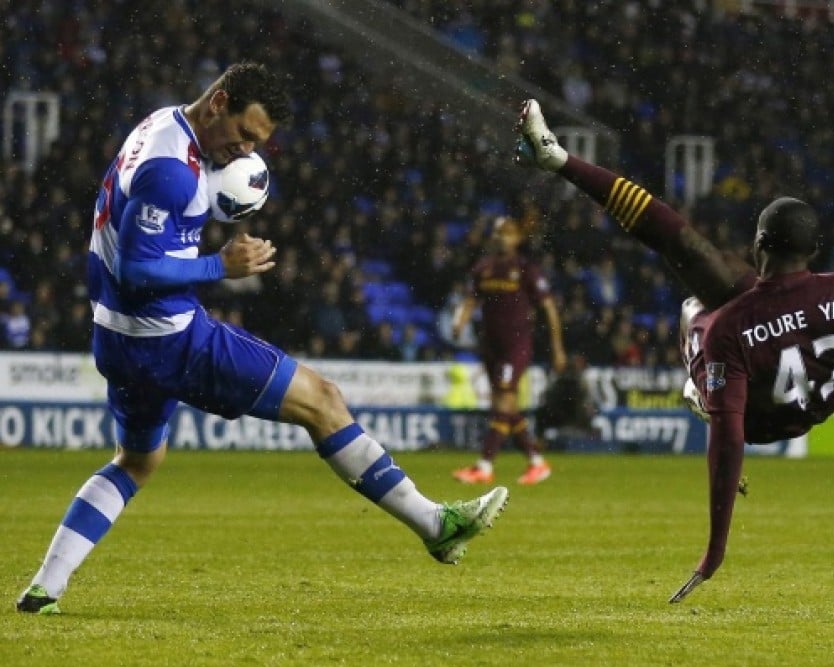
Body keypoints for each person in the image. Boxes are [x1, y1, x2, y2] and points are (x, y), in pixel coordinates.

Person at [16, 62, 509, 615]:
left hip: (115, 337)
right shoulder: (171, 173)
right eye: (245, 134)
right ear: (219, 102)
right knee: (323, 401)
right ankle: (435, 524)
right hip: (170, 339)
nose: (246, 150)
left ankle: (45, 588)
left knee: (136, 461)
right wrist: (219, 267)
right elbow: (136, 270)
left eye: (259, 142)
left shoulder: (162, 126)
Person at [513, 98, 834, 603]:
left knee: (693, 281)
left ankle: (561, 162)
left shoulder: (731, 324)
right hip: (813, 395)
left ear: (760, 242)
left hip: (757, 415)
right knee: (719, 273)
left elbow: (728, 439)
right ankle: (558, 159)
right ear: (812, 251)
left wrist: (714, 550)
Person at [450, 214, 567, 485]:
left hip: (516, 345)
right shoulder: (484, 268)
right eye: (499, 233)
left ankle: (484, 466)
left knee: (503, 400)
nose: (503, 238)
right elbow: (471, 299)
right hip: (490, 345)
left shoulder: (526, 270)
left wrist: (557, 348)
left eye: (508, 233)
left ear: (517, 238)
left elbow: (549, 309)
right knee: (507, 405)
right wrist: (460, 322)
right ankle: (536, 462)